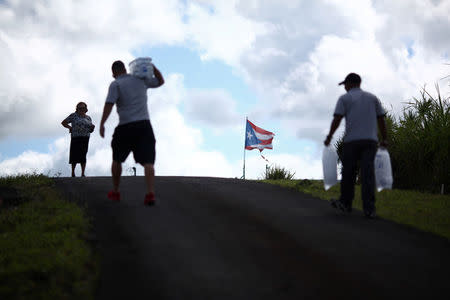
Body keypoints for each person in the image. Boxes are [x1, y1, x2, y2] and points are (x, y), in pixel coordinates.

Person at [99, 60, 164, 205]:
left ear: (115, 72)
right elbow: (160, 81)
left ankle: (115, 192)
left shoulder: (115, 84)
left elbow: (109, 103)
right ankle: (150, 194)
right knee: (148, 161)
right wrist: (153, 67)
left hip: (125, 126)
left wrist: (102, 123)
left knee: (117, 159)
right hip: (144, 125)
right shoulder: (140, 80)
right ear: (125, 69)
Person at [324, 73, 388, 218]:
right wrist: (384, 138)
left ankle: (346, 203)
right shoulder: (372, 98)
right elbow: (381, 120)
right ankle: (369, 209)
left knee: (348, 173)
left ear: (350, 83)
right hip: (370, 141)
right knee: (368, 174)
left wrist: (329, 136)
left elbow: (337, 119)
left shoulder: (345, 98)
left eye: (345, 84)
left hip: (352, 141)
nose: (344, 87)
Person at [61, 101, 95, 177]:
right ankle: (73, 172)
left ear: (86, 109)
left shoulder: (88, 118)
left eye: (83, 108)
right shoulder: (73, 116)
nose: (82, 109)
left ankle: (83, 173)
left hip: (85, 137)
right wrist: (70, 127)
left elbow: (90, 130)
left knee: (83, 154)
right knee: (74, 155)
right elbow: (63, 123)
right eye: (80, 108)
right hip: (75, 137)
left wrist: (92, 128)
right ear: (77, 109)